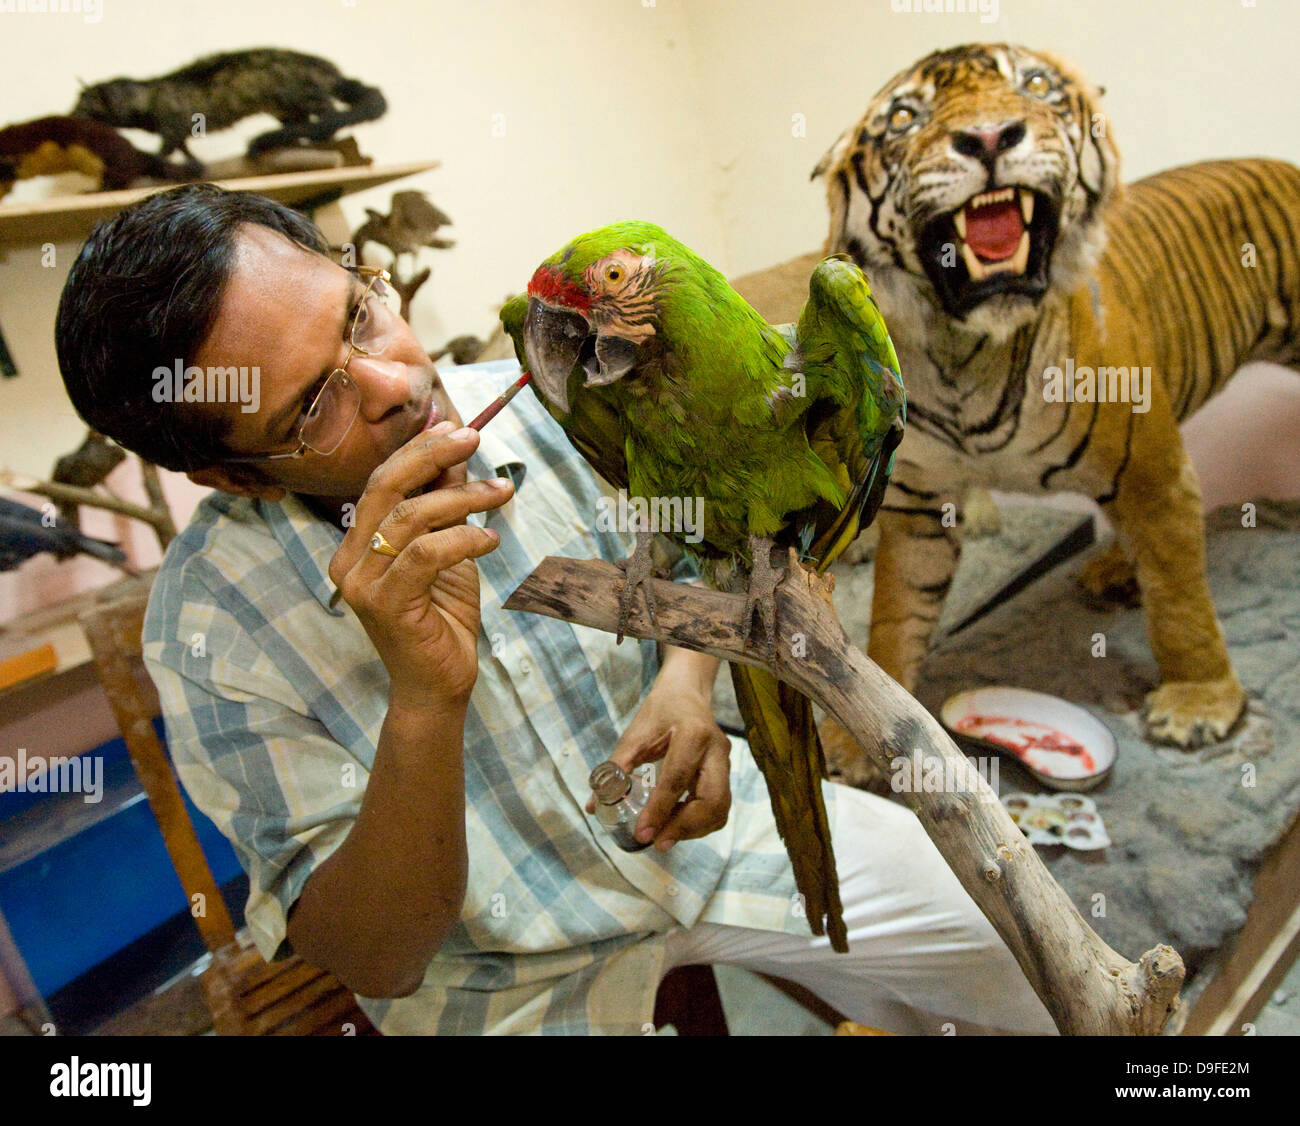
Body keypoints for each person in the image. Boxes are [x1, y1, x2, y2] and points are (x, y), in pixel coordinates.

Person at [55, 183, 1056, 1036]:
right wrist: (422, 700)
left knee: (1022, 945)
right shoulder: (206, 631)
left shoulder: (554, 393)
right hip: (497, 981)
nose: (402, 384)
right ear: (240, 475)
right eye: (314, 406)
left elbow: (703, 545)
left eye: (360, 314)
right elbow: (377, 954)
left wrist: (686, 680)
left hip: (719, 846)